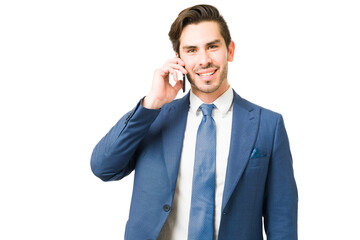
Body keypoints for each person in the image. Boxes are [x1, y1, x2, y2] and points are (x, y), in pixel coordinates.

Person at [91, 4, 298, 240]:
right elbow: (103, 167)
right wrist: (151, 103)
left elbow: (282, 221)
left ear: (230, 50)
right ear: (178, 59)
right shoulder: (154, 117)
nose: (204, 60)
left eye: (212, 46)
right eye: (191, 50)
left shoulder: (269, 125)